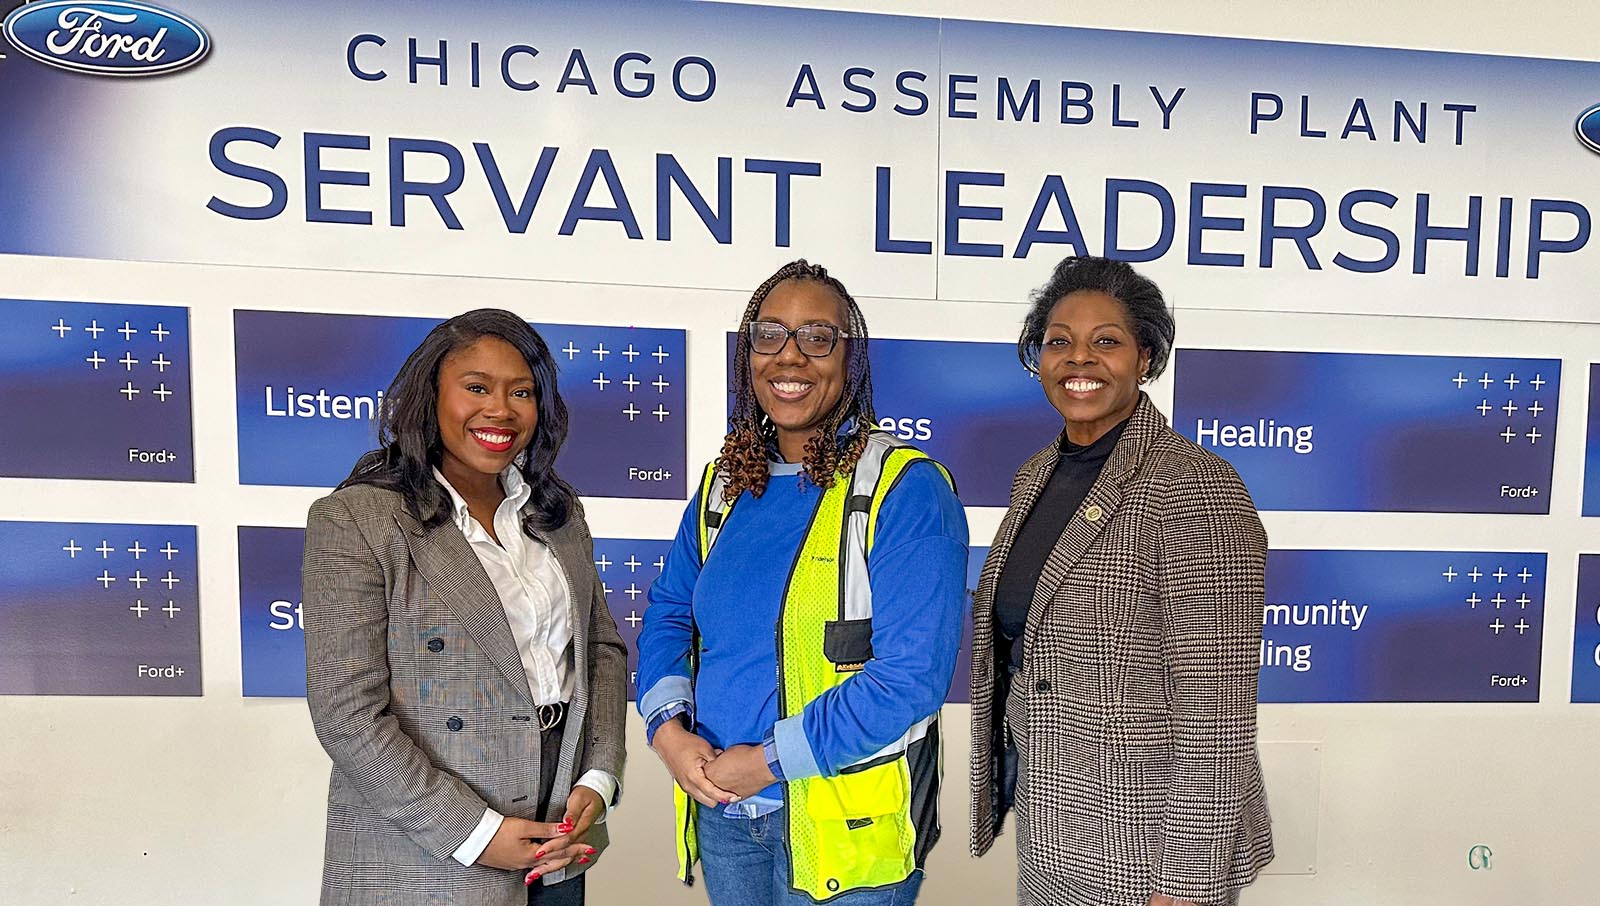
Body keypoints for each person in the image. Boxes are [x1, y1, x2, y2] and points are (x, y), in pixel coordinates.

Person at [636, 260, 969, 905]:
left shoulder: (905, 488)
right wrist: (669, 732)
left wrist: (764, 762)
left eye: (818, 337)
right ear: (748, 355)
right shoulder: (721, 487)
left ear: (852, 360)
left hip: (843, 832)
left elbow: (911, 680)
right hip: (727, 819)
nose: (790, 357)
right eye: (769, 335)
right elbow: (671, 614)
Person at [969, 257, 1274, 906]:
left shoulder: (1195, 488)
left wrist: (1187, 885)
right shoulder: (1037, 474)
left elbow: (1216, 716)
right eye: (1059, 341)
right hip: (1052, 828)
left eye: (1106, 341)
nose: (1080, 358)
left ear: (1146, 358)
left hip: (1147, 852)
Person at [302, 309, 627, 906]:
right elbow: (346, 712)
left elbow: (600, 649)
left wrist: (598, 778)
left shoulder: (556, 514)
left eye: (521, 392)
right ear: (431, 397)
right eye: (476, 388)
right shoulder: (357, 520)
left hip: (556, 841)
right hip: (422, 848)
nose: (499, 410)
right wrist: (474, 833)